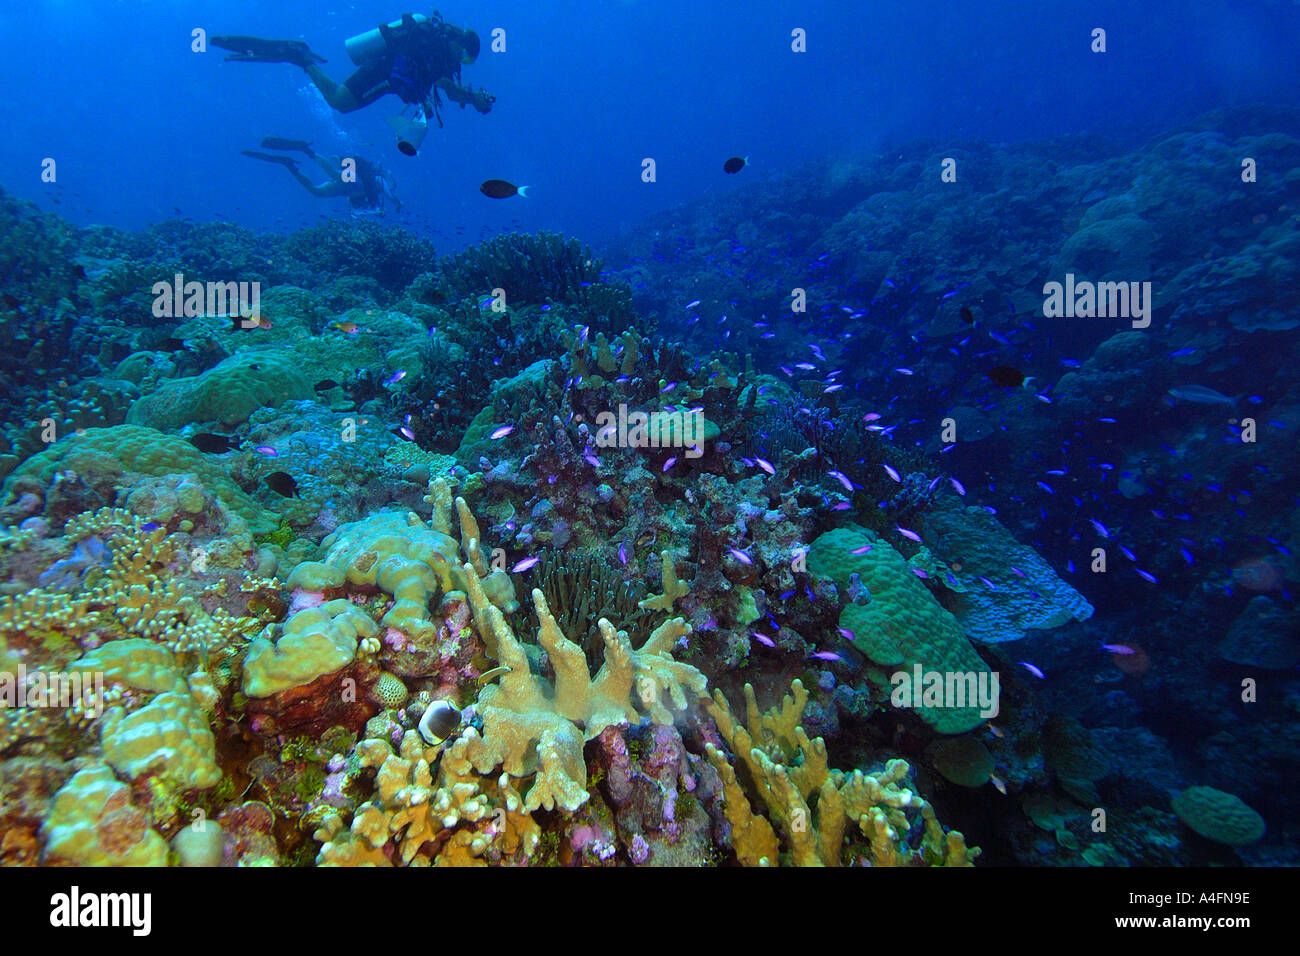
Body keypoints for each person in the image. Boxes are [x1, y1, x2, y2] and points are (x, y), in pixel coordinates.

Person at [213, 11, 494, 124]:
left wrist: (473, 98)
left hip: (387, 78)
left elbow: (448, 89)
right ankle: (301, 57)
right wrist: (470, 98)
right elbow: (443, 85)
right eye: (466, 57)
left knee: (340, 103)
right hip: (382, 73)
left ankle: (300, 56)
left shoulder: (443, 54)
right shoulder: (437, 46)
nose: (463, 62)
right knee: (339, 102)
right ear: (462, 44)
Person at [241, 139, 401, 217]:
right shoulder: (380, 180)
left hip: (345, 191)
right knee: (334, 174)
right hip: (353, 182)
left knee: (316, 191)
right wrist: (396, 202)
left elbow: (355, 210)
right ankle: (307, 151)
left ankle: (290, 165)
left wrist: (374, 210)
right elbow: (388, 191)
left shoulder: (375, 193)